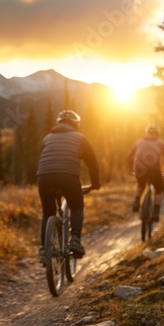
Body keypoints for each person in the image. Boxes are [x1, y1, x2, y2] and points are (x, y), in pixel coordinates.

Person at [36, 110, 100, 260]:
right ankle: (75, 241)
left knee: (48, 212)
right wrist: (95, 183)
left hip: (44, 176)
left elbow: (42, 158)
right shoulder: (79, 137)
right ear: (76, 125)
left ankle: (44, 249)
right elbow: (92, 162)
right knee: (77, 207)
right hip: (68, 176)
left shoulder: (47, 138)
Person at [127, 123, 164, 222]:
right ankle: (156, 212)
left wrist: (132, 168)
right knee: (159, 188)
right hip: (154, 169)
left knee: (140, 184)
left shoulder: (139, 141)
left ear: (147, 132)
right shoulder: (161, 143)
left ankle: (136, 202)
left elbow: (129, 157)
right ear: (158, 133)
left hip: (139, 168)